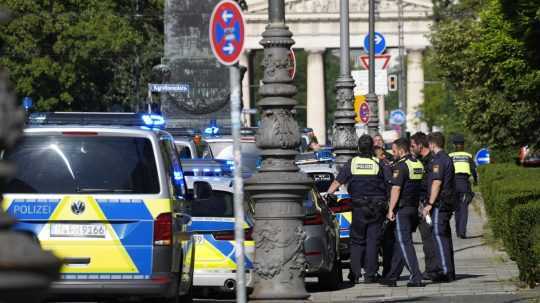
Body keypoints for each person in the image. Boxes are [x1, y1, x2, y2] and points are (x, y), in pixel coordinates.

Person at [327, 135, 387, 284]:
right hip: (376, 209)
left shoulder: (352, 163)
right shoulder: (379, 163)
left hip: (359, 208)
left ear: (359, 148)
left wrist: (329, 194)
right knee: (373, 241)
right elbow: (390, 183)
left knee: (357, 241)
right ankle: (371, 274)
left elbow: (337, 181)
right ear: (372, 147)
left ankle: (354, 274)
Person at [379, 138, 425, 287]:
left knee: (405, 243)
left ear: (401, 150)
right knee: (401, 242)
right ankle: (392, 276)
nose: (393, 154)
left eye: (394, 151)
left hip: (402, 210)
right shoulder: (417, 164)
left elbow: (396, 189)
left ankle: (416, 276)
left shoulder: (401, 166)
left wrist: (391, 209)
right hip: (413, 209)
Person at [422, 132, 457, 282]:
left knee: (438, 235)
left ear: (433, 144)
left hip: (440, 203)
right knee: (445, 236)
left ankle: (444, 271)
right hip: (446, 202)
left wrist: (429, 204)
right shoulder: (446, 158)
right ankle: (449, 270)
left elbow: (437, 183)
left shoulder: (438, 160)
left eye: (429, 143)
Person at [410, 132, 441, 280]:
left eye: (413, 146)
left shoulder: (431, 161)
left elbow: (431, 184)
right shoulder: (421, 160)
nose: (411, 148)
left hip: (427, 205)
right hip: (422, 203)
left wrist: (428, 204)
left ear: (420, 145)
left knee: (428, 238)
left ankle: (432, 270)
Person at [449, 134, 478, 239]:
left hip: (453, 184)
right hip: (464, 183)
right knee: (464, 208)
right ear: (463, 145)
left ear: (454, 145)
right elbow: (474, 170)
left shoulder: (450, 156)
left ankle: (457, 231)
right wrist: (475, 181)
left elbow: (447, 171)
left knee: (457, 208)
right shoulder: (468, 156)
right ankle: (462, 232)